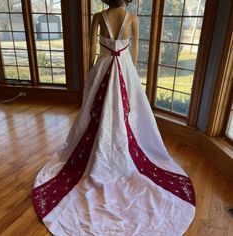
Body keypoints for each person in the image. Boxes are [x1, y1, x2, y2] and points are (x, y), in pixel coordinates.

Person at [32, 0, 196, 235]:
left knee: (97, 112)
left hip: (103, 67)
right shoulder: (132, 19)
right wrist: (130, 72)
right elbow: (135, 52)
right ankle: (114, 148)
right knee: (124, 113)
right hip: (124, 67)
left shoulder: (99, 17)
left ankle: (105, 149)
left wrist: (92, 72)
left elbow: (90, 50)